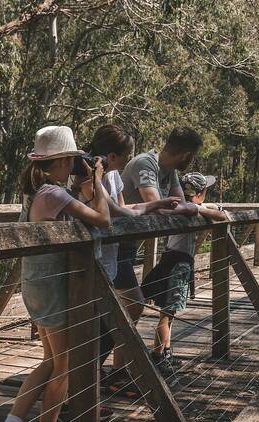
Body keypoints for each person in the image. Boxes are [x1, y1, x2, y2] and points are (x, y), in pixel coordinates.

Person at [7, 126, 111, 422]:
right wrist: (98, 181)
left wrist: (82, 185)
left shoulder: (41, 190)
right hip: (50, 287)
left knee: (51, 359)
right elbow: (103, 219)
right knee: (63, 364)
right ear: (64, 161)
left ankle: (13, 420)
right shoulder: (53, 193)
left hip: (37, 284)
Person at [81, 124, 179, 391]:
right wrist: (155, 204)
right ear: (112, 156)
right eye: (126, 156)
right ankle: (82, 382)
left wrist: (157, 203)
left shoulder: (112, 176)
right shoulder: (88, 177)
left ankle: (107, 371)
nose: (128, 161)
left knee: (133, 305)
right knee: (94, 319)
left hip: (113, 254)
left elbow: (124, 207)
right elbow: (117, 213)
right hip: (90, 258)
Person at [109, 126, 203, 395]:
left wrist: (189, 207)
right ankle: (107, 373)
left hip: (126, 248)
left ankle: (117, 372)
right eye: (192, 156)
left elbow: (179, 207)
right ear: (186, 154)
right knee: (132, 306)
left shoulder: (170, 171)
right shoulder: (144, 164)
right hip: (110, 247)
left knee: (126, 308)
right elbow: (160, 206)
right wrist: (194, 207)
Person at [141, 173, 226, 380]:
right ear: (198, 194)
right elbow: (221, 216)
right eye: (205, 192)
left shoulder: (185, 208)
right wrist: (209, 208)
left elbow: (213, 210)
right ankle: (159, 355)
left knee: (168, 313)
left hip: (172, 259)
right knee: (167, 313)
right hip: (177, 264)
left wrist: (207, 206)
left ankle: (165, 351)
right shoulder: (189, 212)